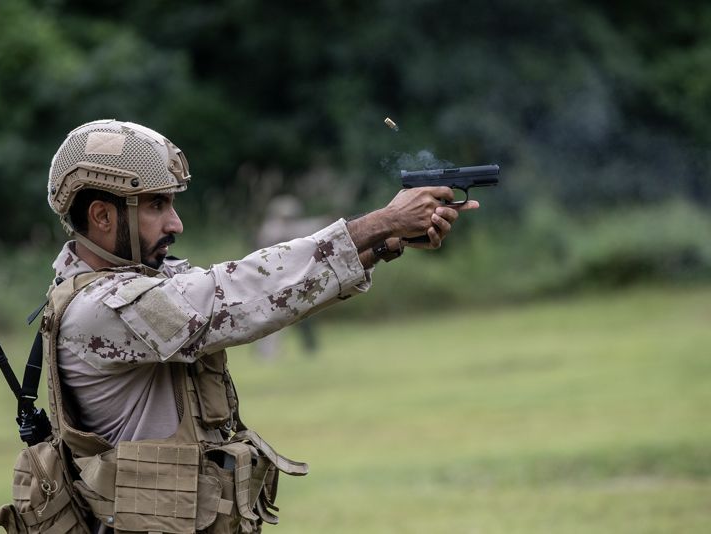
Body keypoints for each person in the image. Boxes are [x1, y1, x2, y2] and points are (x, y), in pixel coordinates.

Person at [39, 119, 478, 532]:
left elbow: (265, 299)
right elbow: (235, 292)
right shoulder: (98, 308)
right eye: (157, 204)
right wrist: (381, 222)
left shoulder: (137, 288)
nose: (176, 223)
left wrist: (381, 246)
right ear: (101, 216)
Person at [254, 194, 332, 358]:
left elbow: (303, 228)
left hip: (290, 282)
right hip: (274, 284)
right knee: (271, 320)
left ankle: (308, 348)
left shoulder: (285, 227)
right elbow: (293, 234)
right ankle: (267, 353)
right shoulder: (271, 229)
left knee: (302, 317)